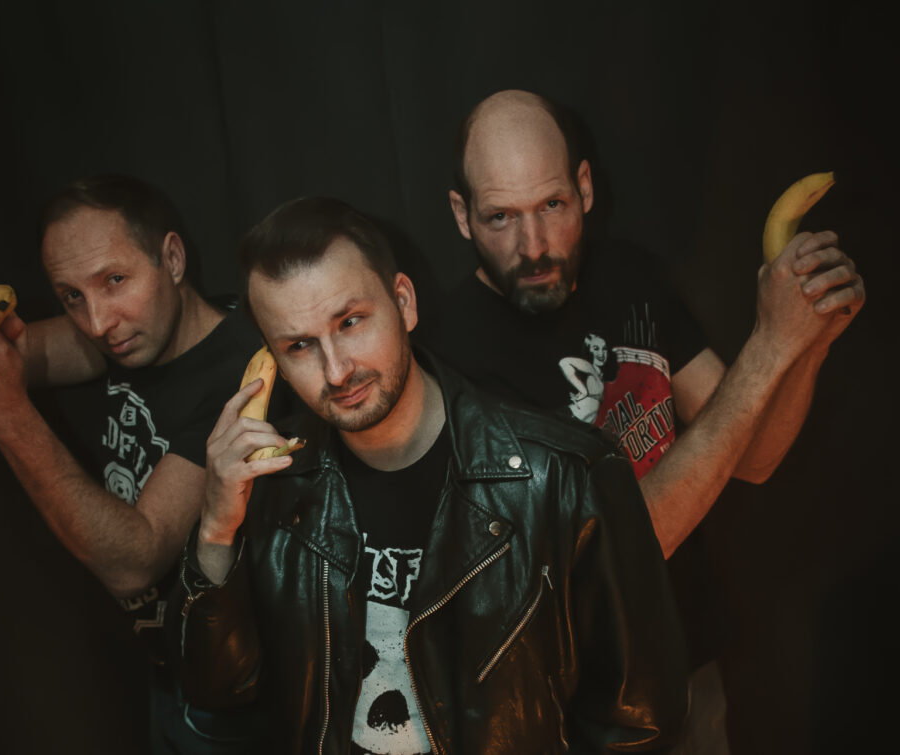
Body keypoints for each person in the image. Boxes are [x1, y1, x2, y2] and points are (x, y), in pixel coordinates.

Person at [422, 89, 866, 752]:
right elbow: (616, 553)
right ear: (462, 216)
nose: (533, 246)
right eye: (500, 217)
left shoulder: (629, 275)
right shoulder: (454, 363)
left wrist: (809, 343)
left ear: (585, 188)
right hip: (582, 709)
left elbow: (754, 456)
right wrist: (771, 345)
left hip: (689, 667)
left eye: (552, 206)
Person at [182, 196, 688, 753]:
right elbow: (220, 698)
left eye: (350, 322)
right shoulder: (270, 488)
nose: (336, 370)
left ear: (403, 302)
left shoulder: (568, 475)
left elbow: (639, 724)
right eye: (299, 345)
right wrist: (216, 530)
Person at [0, 174, 277, 753]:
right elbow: (2, 361)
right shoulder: (129, 332)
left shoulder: (241, 376)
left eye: (115, 281)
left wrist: (7, 413)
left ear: (172, 259)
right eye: (71, 297)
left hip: (234, 700)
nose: (96, 322)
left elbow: (136, 561)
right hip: (165, 672)